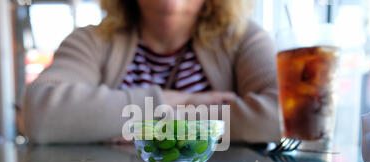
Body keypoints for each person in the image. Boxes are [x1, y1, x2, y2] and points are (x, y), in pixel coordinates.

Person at [22, 0, 281, 144]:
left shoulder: (245, 38)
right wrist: (178, 100)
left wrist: (137, 123)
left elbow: (283, 116)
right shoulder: (91, 40)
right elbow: (40, 114)